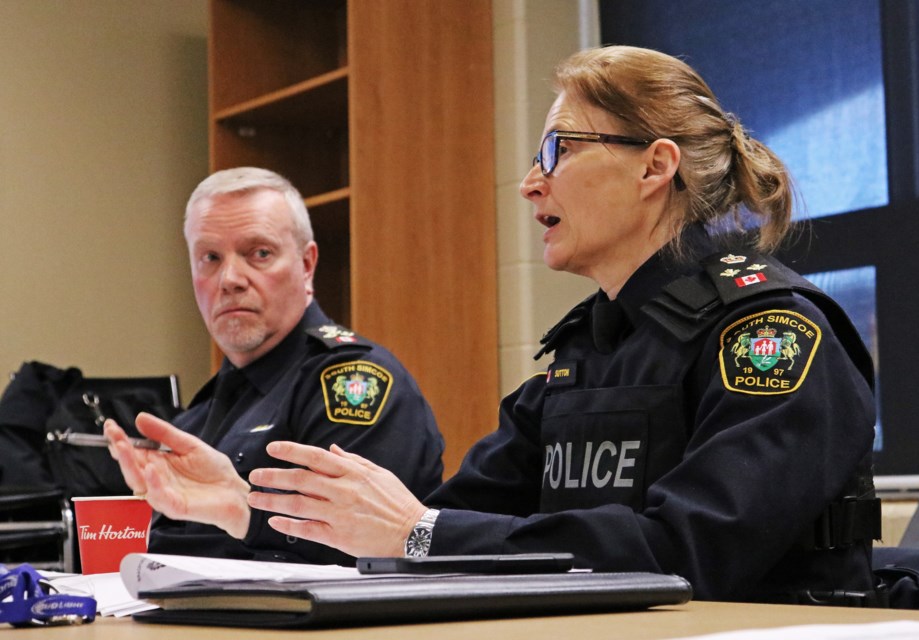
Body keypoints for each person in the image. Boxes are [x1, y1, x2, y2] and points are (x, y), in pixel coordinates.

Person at [107, 47, 879, 603]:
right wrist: (240, 505)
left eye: (558, 149)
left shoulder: (770, 336)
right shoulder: (588, 349)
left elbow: (685, 553)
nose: (529, 182)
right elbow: (442, 521)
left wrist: (422, 534)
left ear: (654, 168)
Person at [104, 167, 444, 565]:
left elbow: (346, 553)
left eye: (259, 253)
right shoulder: (199, 414)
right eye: (210, 258)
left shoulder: (353, 382)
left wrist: (242, 510)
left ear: (306, 265)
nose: (229, 278)